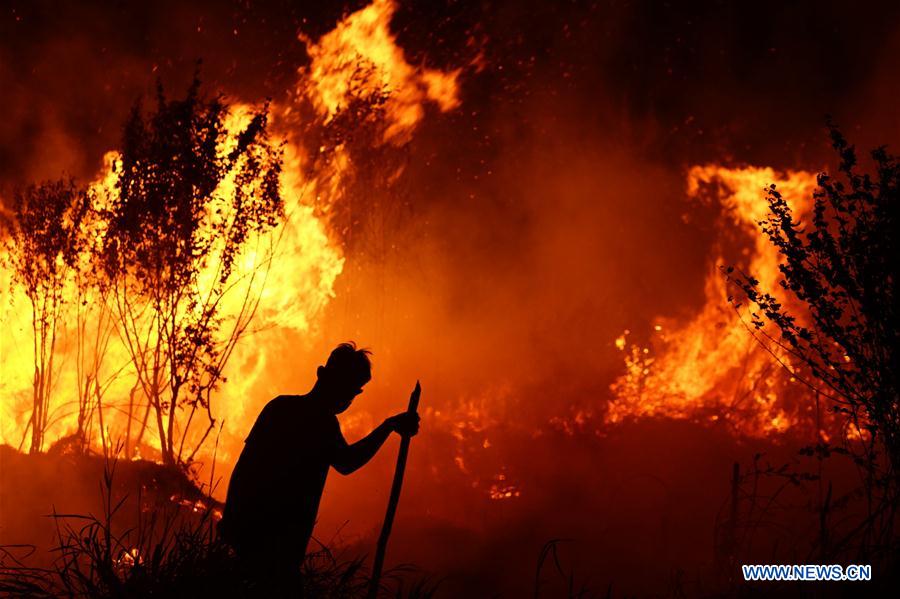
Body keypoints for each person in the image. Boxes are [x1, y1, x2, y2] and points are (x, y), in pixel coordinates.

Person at [219, 342, 420, 590]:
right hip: (275, 544)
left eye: (352, 392)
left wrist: (231, 518)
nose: (347, 399)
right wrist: (388, 427)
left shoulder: (280, 407)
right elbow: (347, 462)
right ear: (322, 375)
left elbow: (243, 468)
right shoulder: (321, 423)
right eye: (346, 389)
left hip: (255, 536)